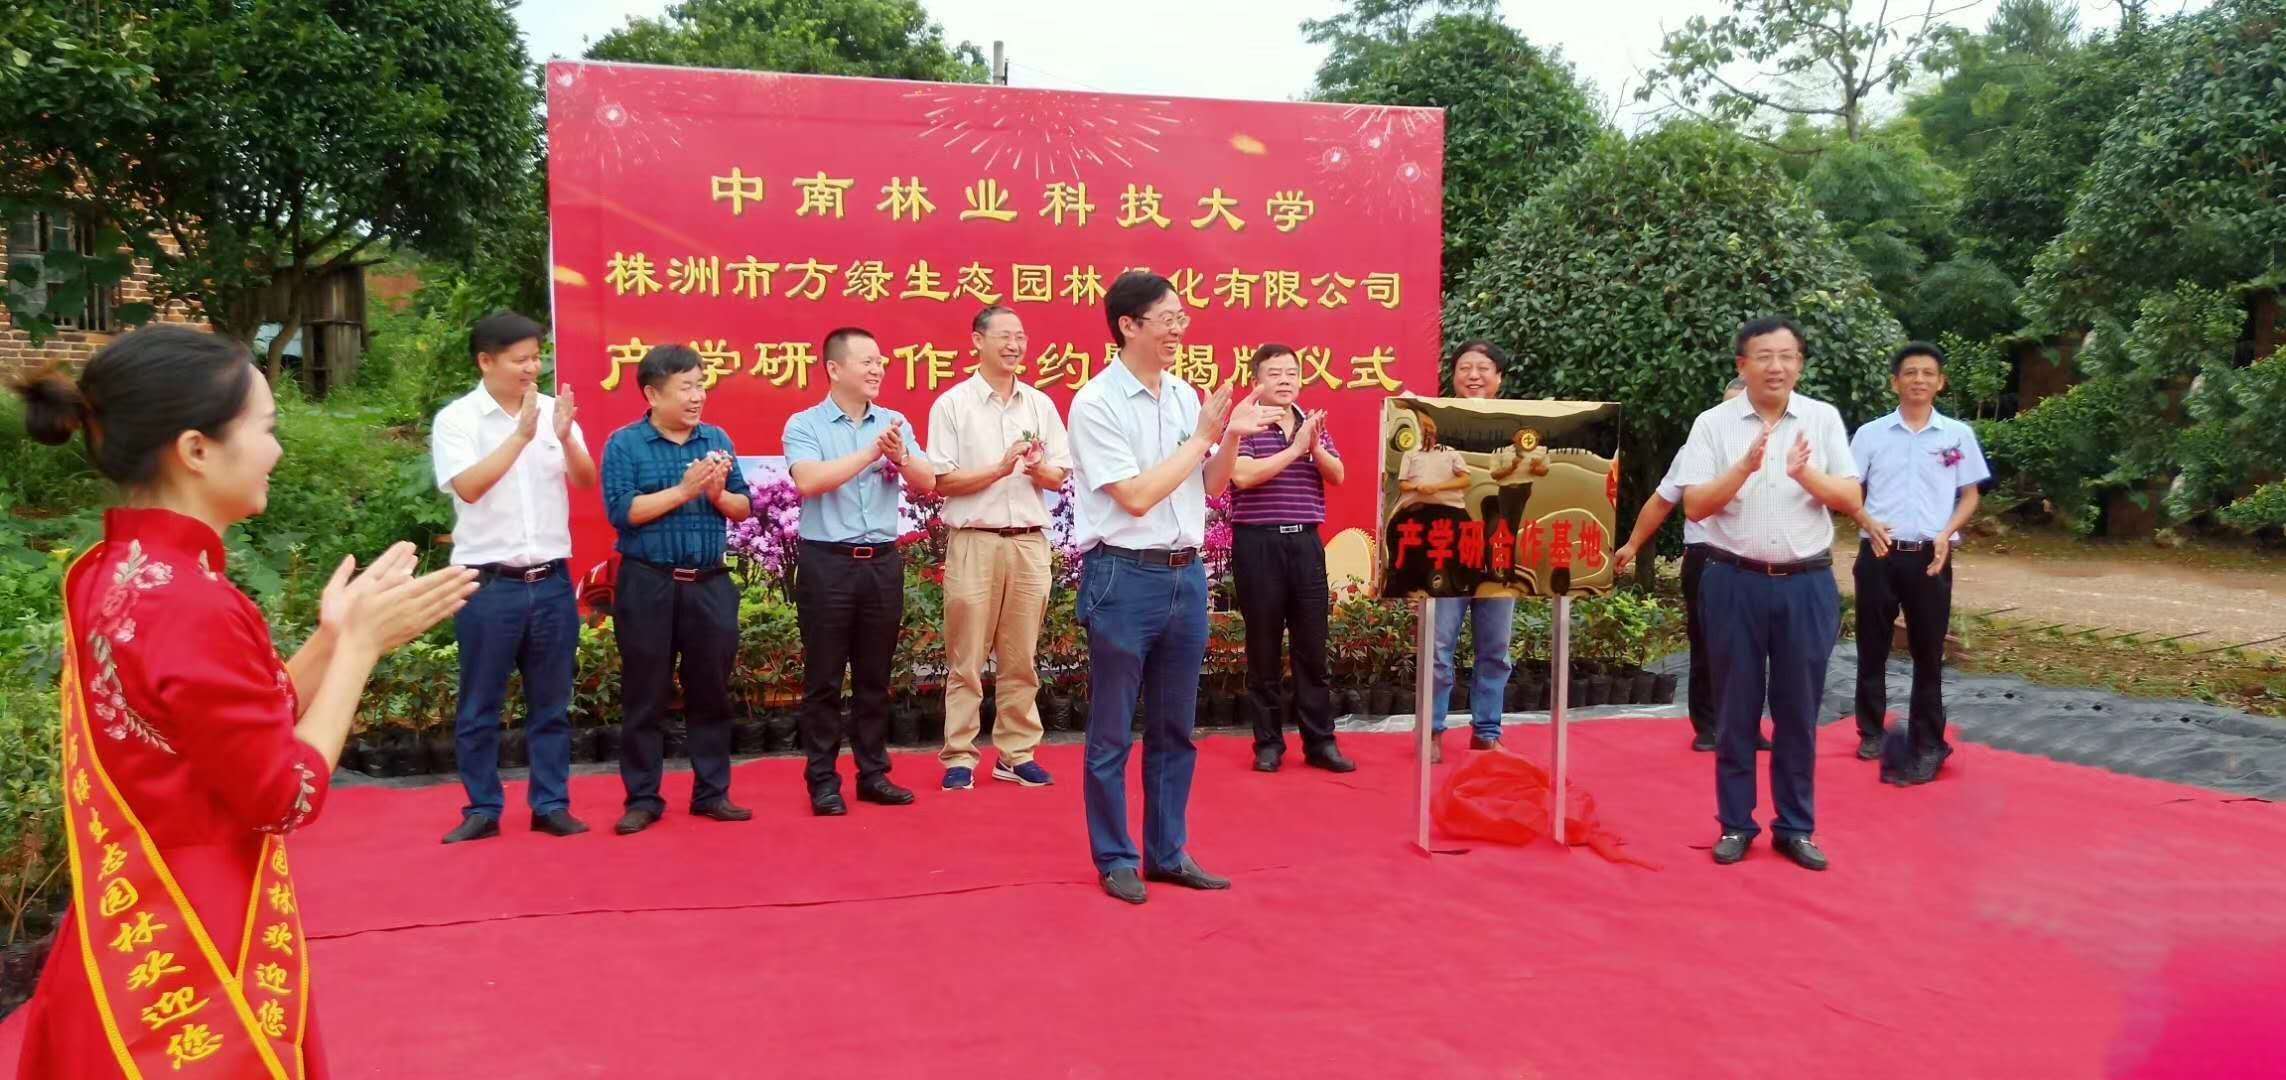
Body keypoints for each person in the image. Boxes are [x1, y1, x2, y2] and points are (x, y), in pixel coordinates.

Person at [11, 326, 475, 1077]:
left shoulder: (112, 570)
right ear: (196, 449)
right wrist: (358, 651)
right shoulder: (191, 600)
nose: (277, 451)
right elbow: (284, 794)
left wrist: (331, 639)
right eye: (265, 428)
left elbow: (227, 728)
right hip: (198, 945)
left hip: (123, 927)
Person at [1069, 270, 1279, 904]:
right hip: (1122, 576)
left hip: (1185, 577)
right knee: (1112, 730)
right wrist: (1205, 436)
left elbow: (1210, 485)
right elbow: (1135, 497)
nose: (1179, 330)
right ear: (1128, 325)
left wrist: (1229, 434)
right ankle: (1116, 857)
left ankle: (1167, 852)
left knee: (1175, 727)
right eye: (1167, 319)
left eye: (1182, 318)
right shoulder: (1096, 403)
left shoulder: (1186, 396)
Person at [1672, 316, 1862, 871]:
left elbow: (1850, 497)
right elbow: (1695, 506)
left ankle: (1796, 827)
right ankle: (1736, 823)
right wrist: (1743, 468)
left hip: (1806, 584)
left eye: (1787, 356)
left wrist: (1807, 478)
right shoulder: (1713, 424)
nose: (1776, 367)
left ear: (1799, 364)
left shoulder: (1822, 418)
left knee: (1798, 711)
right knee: (1735, 709)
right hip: (1733, 580)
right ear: (1743, 365)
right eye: (1764, 356)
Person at [430, 311, 595, 844]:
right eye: (520, 359)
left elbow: (586, 480)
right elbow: (469, 487)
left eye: (536, 357)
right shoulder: (458, 420)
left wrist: (565, 438)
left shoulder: (553, 412)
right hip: (487, 584)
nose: (532, 367)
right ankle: (482, 808)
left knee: (552, 705)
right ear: (486, 361)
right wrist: (521, 437)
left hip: (550, 581)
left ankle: (551, 804)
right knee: (480, 705)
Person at [599, 344, 755, 835]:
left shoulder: (717, 439)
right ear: (652, 394)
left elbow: (743, 507)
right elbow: (623, 512)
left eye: (701, 385)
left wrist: (717, 494)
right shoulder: (625, 444)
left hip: (708, 582)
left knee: (712, 691)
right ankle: (643, 798)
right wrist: (685, 491)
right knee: (645, 693)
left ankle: (712, 793)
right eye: (686, 387)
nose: (697, 396)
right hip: (649, 582)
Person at [784, 327, 938, 816]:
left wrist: (900, 455)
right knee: (824, 679)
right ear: (834, 368)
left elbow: (928, 481)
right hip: (827, 563)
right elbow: (810, 480)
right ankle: (823, 780)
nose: (878, 368)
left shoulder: (894, 423)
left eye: (880, 361)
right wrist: (872, 453)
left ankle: (873, 773)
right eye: (867, 361)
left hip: (881, 563)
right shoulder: (805, 425)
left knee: (875, 676)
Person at [924, 306, 1072, 791]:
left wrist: (1036, 467)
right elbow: (943, 480)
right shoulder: (953, 405)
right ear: (977, 341)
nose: (1014, 345)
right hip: (975, 540)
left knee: (1021, 657)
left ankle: (1016, 752)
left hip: (1028, 543)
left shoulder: (1039, 405)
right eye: (1004, 336)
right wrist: (1001, 467)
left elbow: (1059, 476)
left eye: (1021, 337)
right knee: (966, 656)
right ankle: (960, 756)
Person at [1849, 341, 1989, 783]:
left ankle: (1928, 739)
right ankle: (1871, 730)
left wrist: (1947, 532)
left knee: (1928, 651)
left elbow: (1970, 495)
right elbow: (1850, 490)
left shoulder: (1957, 435)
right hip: (1879, 551)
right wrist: (1867, 521)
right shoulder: (1870, 434)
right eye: (1910, 372)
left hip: (1930, 556)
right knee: (1872, 644)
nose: (1919, 380)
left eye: (1928, 373)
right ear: (1895, 382)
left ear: (1940, 382)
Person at [1614, 377, 1771, 754]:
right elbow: (1662, 500)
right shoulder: (1697, 449)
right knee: (1706, 644)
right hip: (1708, 556)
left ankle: (1748, 725)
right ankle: (1709, 725)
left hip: (1759, 558)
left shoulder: (1777, 450)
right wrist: (1633, 544)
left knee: (1755, 646)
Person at [1228, 345, 1354, 774]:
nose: (1285, 380)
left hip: (1305, 544)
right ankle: (1268, 744)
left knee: (1312, 649)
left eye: (1291, 373)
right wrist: (1295, 450)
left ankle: (1320, 743)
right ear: (1257, 381)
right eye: (1275, 373)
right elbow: (1243, 476)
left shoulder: (1310, 422)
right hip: (1258, 544)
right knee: (1263, 648)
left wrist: (1312, 447)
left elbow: (1338, 475)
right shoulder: (1245, 423)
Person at [1427, 341, 1518, 762]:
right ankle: (1432, 730)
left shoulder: (1518, 427)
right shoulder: (1435, 424)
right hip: (1446, 550)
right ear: (1454, 376)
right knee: (1438, 649)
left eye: (1484, 368)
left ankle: (1486, 731)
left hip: (1499, 552)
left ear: (1499, 378)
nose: (1474, 375)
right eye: (1465, 367)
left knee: (1496, 650)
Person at [1384, 409, 1471, 597]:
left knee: (1462, 535)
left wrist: (1438, 487)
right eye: (1423, 426)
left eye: (1430, 426)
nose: (1428, 430)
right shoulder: (1410, 454)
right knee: (1400, 534)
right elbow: (1403, 485)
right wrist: (1419, 488)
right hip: (1417, 510)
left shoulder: (1450, 453)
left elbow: (1465, 480)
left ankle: (1454, 585)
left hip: (1450, 510)